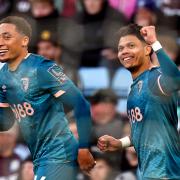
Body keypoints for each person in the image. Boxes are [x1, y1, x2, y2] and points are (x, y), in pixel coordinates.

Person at [0, 16, 96, 180]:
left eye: (6, 37)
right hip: (40, 157)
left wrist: (84, 147)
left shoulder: (42, 68)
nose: (0, 42)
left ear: (24, 41)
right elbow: (6, 122)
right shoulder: (3, 76)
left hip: (60, 153)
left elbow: (81, 104)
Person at [97, 24, 180, 179]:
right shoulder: (134, 90)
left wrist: (155, 42)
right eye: (121, 48)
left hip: (166, 174)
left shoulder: (155, 78)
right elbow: (143, 133)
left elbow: (175, 80)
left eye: (131, 45)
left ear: (147, 50)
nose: (124, 51)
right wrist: (119, 143)